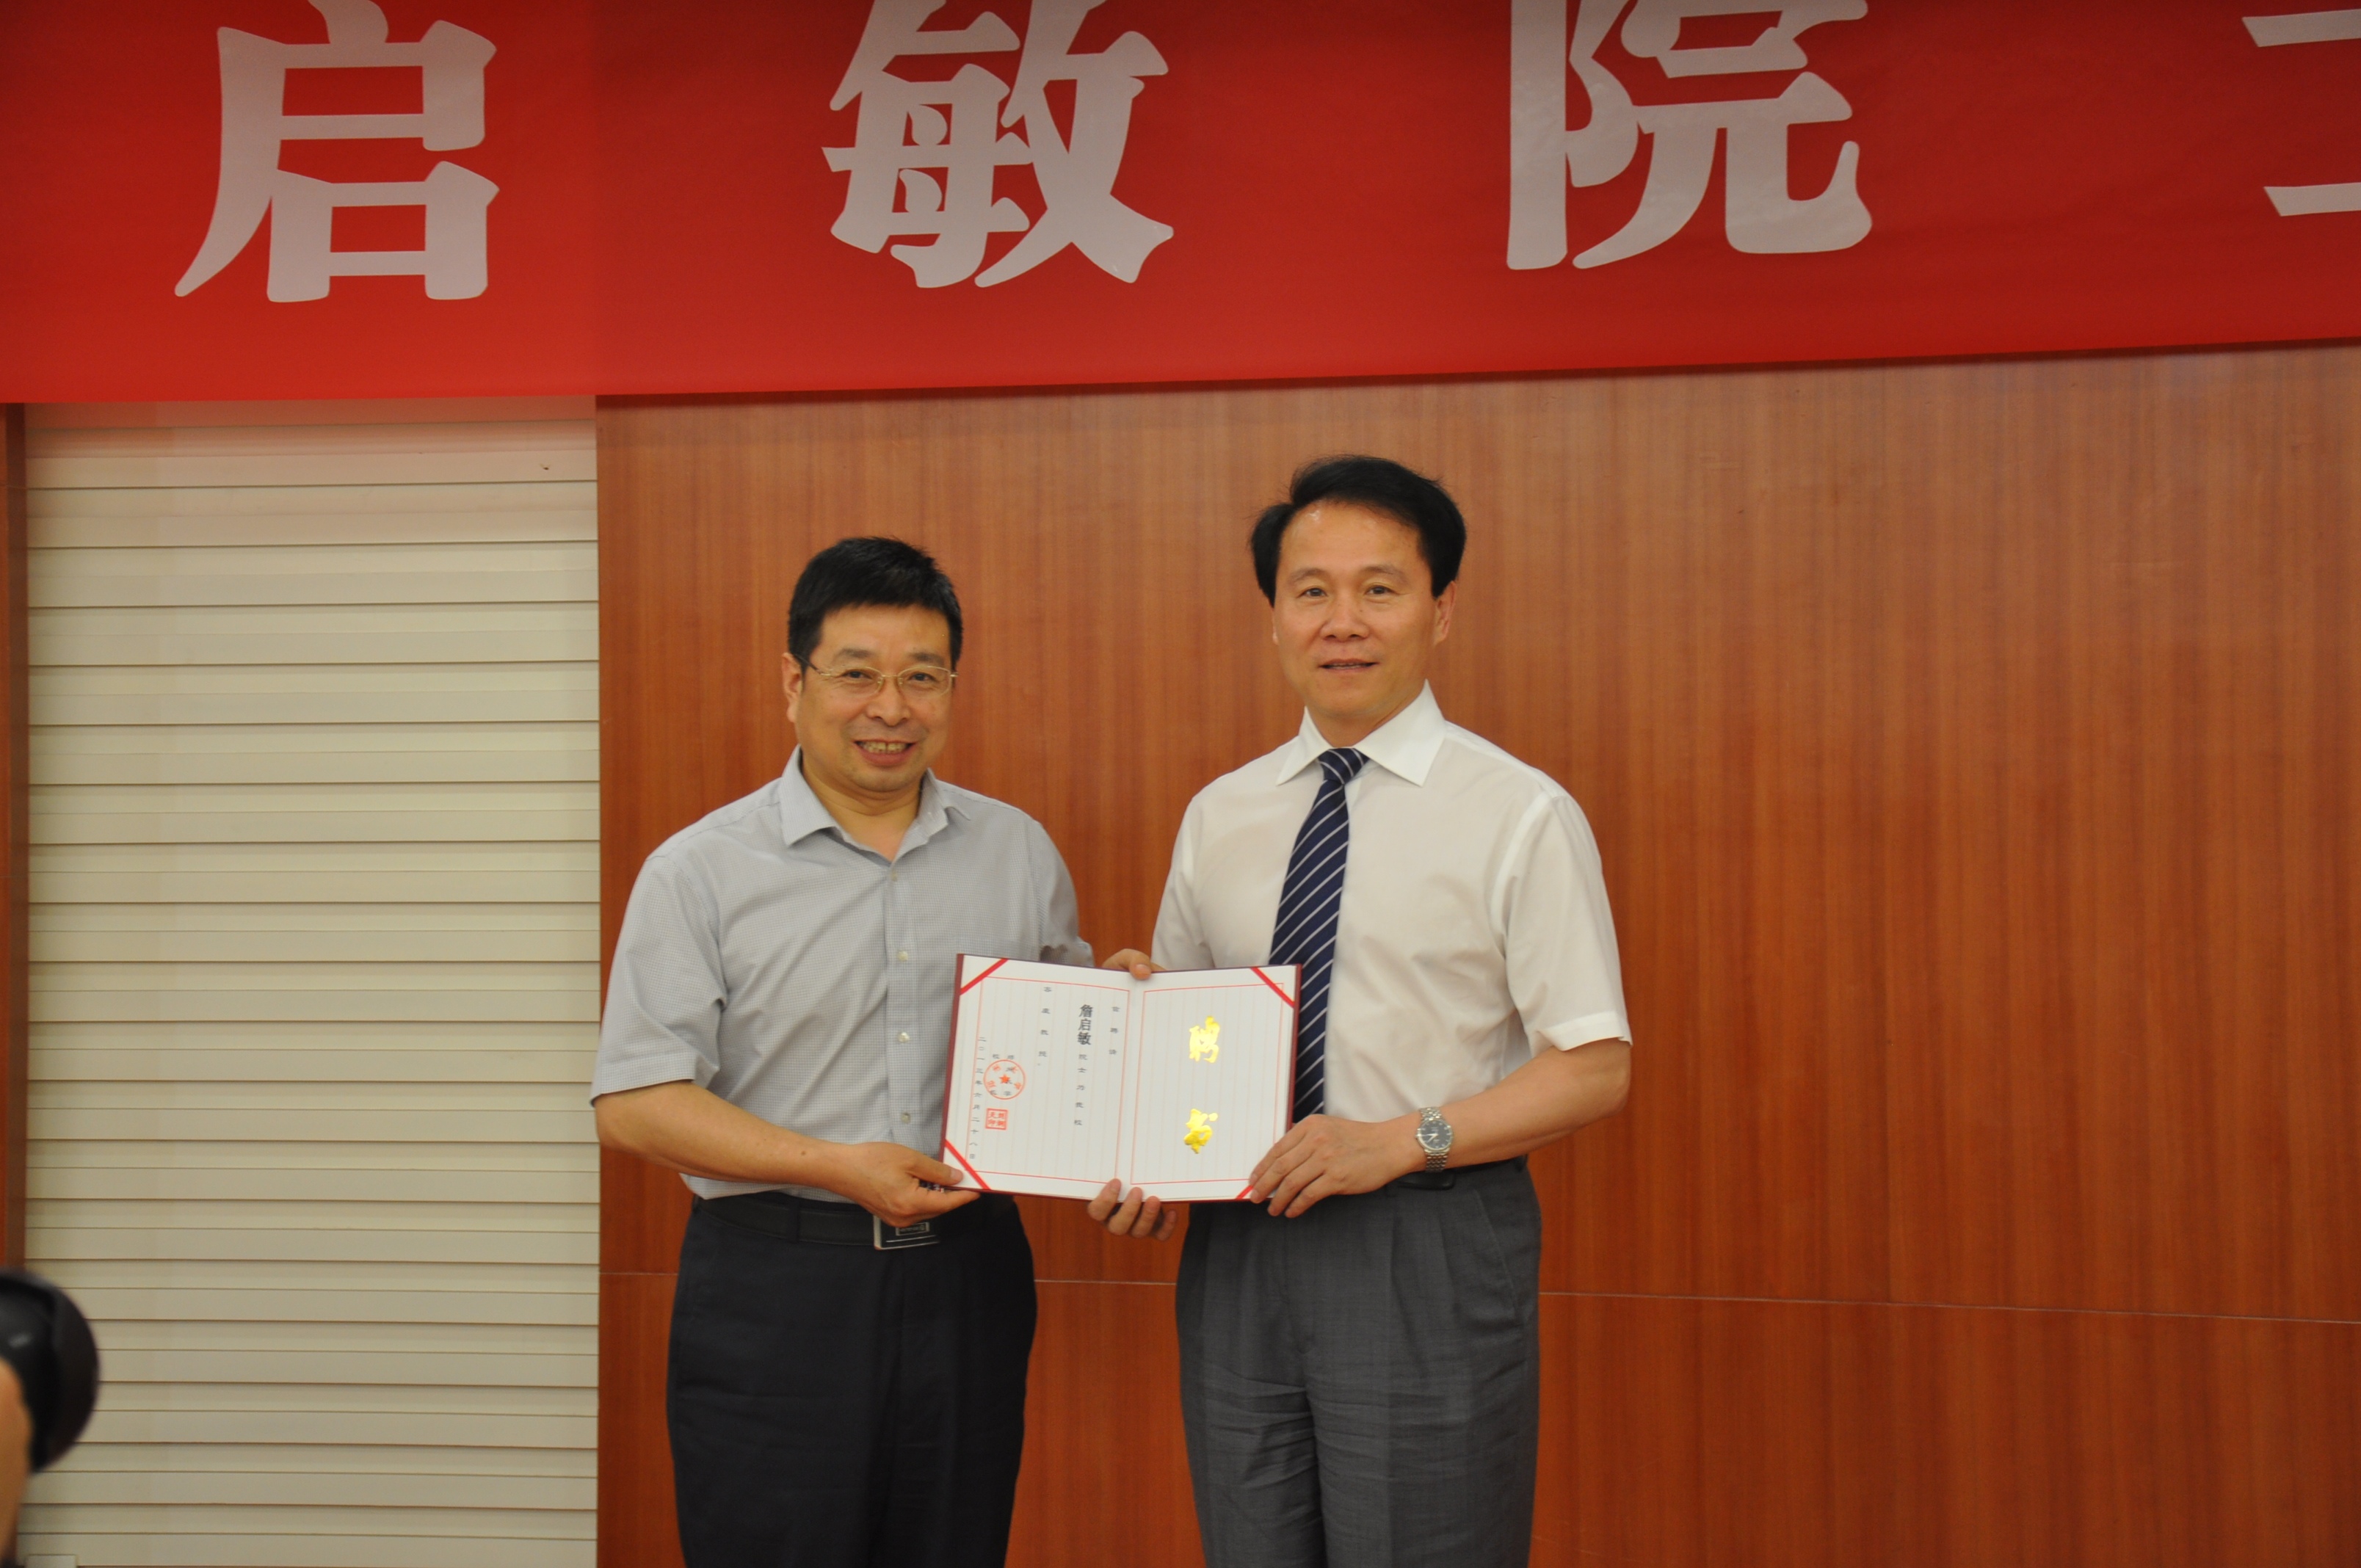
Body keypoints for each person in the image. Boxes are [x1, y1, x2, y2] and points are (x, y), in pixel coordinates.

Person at [1089, 456, 1633, 1568]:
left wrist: (1396, 1142)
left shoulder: (1518, 812)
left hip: (1425, 1234)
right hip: (1241, 1238)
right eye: (1312, 591)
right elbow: (1193, 1035)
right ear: (1274, 617)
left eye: (1379, 589)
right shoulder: (1223, 813)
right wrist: (1140, 1092)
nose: (1343, 622)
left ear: (1441, 611)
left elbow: (1594, 1064)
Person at [592, 537, 1092, 1568]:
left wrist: (1129, 1013)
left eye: (923, 677)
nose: (890, 708)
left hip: (970, 1282)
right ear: (795, 682)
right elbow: (635, 1102)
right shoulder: (700, 871)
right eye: (857, 674)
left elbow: (1066, 1047)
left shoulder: (1017, 851)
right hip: (776, 1291)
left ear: (952, 687)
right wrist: (835, 1166)